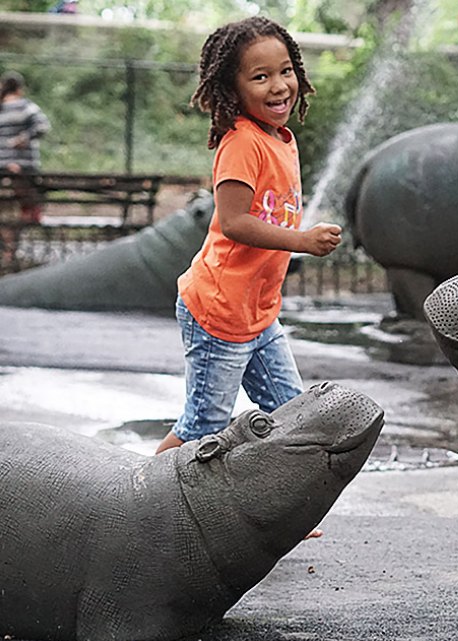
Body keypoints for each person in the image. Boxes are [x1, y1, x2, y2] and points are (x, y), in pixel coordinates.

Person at [154, 14, 343, 504]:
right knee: (204, 423)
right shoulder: (241, 143)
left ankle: (279, 514)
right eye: (260, 77)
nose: (279, 85)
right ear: (232, 89)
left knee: (290, 412)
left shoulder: (281, 138)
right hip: (219, 312)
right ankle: (139, 500)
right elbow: (235, 221)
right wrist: (301, 241)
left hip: (257, 314)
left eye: (285, 71)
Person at [0, 70, 51, 224]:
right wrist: (25, 138)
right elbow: (43, 126)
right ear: (19, 88)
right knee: (30, 194)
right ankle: (32, 218)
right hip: (24, 164)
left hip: (2, 163)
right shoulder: (26, 106)